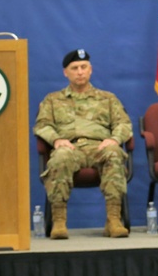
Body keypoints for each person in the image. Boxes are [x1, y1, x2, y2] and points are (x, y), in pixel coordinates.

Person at [34, 49, 133, 239]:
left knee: (114, 153)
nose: (80, 71)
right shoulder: (53, 100)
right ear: (66, 72)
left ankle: (113, 220)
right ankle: (59, 221)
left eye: (83, 67)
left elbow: (124, 124)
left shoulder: (108, 98)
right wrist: (56, 140)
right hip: (70, 149)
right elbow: (42, 125)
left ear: (90, 70)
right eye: (75, 68)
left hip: (99, 148)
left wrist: (114, 139)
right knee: (60, 157)